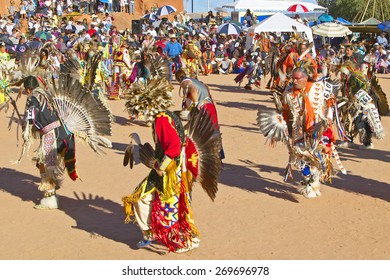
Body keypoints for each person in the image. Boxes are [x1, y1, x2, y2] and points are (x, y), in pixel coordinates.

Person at [122, 110, 200, 253]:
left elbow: (174, 146)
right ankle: (151, 233)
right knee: (143, 198)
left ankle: (187, 240)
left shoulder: (162, 119)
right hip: (172, 169)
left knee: (169, 206)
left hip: (169, 173)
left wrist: (161, 167)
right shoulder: (167, 115)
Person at [22, 76, 79, 209]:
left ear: (29, 89)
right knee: (43, 163)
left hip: (51, 135)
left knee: (45, 164)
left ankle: (49, 197)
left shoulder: (33, 97)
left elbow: (32, 114)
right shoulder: (46, 93)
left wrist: (27, 123)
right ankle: (52, 189)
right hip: (63, 132)